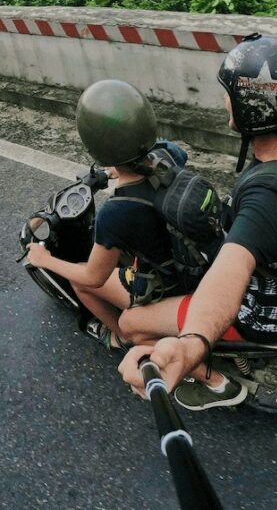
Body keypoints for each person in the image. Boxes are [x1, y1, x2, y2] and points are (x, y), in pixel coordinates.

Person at [118, 0, 277, 410]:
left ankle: (211, 380)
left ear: (252, 108)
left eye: (229, 94)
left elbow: (228, 274)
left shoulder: (268, 200)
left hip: (268, 314)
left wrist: (190, 346)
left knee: (132, 322)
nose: (224, 99)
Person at [27, 79, 183, 350]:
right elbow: (155, 153)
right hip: (184, 260)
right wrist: (113, 171)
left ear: (95, 148)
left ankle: (118, 335)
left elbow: (93, 277)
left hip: (164, 287)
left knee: (80, 280)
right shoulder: (170, 154)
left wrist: (45, 259)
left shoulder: (116, 212)